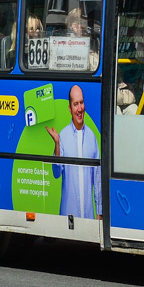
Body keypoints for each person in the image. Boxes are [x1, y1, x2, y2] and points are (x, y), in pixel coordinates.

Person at [48, 85, 100, 219]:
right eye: (75, 104)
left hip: (88, 215)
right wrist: (57, 144)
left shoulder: (91, 137)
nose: (79, 108)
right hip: (68, 214)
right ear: (70, 109)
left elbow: (98, 178)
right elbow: (56, 173)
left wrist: (99, 212)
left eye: (81, 103)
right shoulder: (63, 136)